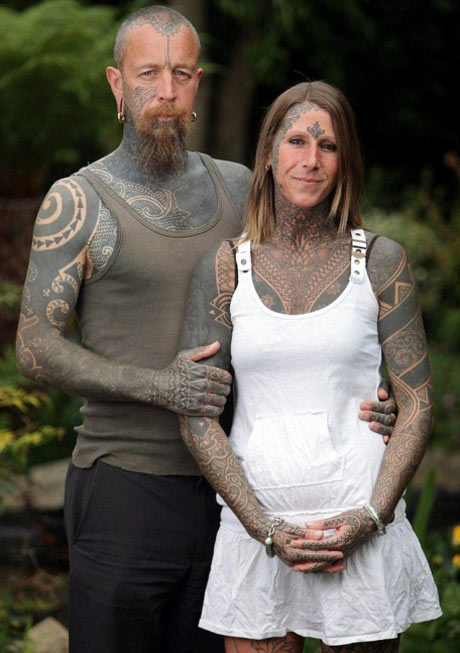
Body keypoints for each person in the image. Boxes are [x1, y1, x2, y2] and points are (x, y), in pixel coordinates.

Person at [16, 5, 395, 652]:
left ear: (197, 84)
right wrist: (160, 385)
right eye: (148, 74)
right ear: (116, 83)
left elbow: (310, 297)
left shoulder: (239, 188)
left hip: (240, 494)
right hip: (125, 484)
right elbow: (34, 347)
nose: (166, 91)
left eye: (182, 74)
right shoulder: (78, 201)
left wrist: (369, 391)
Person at [178, 81, 441, 652]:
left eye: (328, 145)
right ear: (269, 154)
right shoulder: (224, 267)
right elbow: (197, 417)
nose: (311, 159)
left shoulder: (381, 261)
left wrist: (371, 516)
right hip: (256, 530)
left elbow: (418, 406)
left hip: (359, 518)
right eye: (296, 140)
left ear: (346, 160)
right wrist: (264, 528)